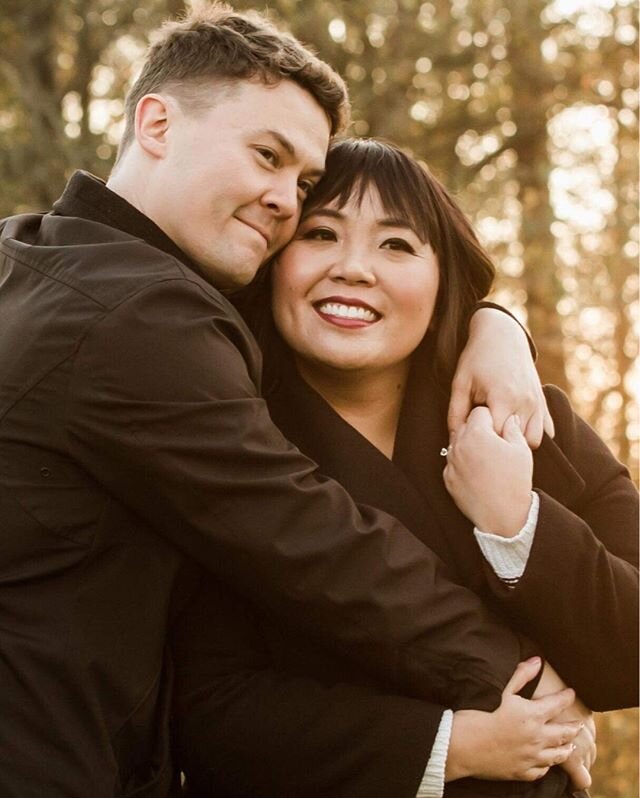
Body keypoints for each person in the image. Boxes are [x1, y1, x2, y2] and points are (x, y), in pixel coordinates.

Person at [0, 6, 557, 796]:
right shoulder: (141, 314)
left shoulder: (29, 255)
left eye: (301, 182)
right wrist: (526, 685)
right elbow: (318, 542)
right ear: (155, 123)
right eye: (266, 156)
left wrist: (493, 323)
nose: (285, 202)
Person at [171, 138, 638, 798]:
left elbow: (632, 658)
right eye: (320, 233)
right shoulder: (225, 440)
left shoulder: (529, 416)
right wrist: (450, 746)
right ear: (274, 262)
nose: (354, 268)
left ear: (444, 276)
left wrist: (517, 524)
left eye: (397, 245)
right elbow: (207, 709)